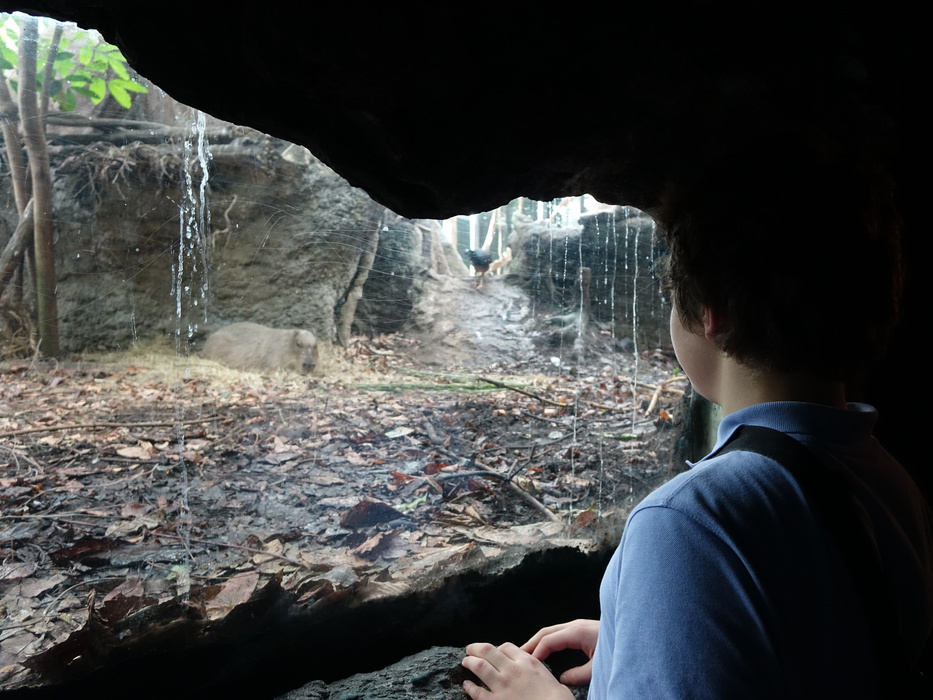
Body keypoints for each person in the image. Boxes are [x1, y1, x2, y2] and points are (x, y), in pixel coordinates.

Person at [461, 131, 933, 699]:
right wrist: (647, 640)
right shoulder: (892, 481)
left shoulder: (686, 522)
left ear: (713, 313)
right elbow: (824, 643)